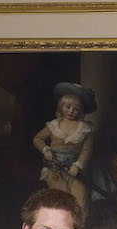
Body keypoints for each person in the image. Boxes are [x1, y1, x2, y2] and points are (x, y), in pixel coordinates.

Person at [32, 82, 96, 213]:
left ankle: (78, 228)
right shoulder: (54, 125)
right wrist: (46, 149)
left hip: (75, 171)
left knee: (80, 198)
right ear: (61, 107)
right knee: (61, 198)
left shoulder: (85, 129)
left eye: (76, 109)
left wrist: (77, 165)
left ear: (81, 111)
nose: (71, 111)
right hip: (55, 169)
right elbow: (37, 139)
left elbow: (86, 151)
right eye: (68, 107)